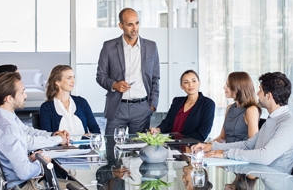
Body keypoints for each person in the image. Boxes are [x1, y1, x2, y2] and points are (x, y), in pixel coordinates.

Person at [0, 72, 74, 190]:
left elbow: (17, 144)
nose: (26, 95)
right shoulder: (8, 128)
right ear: (9, 98)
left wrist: (31, 158)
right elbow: (24, 173)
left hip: (9, 188)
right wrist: (43, 161)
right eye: (22, 92)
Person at [192, 72, 293, 174]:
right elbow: (248, 144)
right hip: (262, 179)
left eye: (260, 90)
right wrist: (212, 147)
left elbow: (265, 156)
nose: (257, 94)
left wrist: (226, 154)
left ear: (269, 96)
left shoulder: (288, 123)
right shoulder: (272, 119)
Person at [96, 7, 160, 135]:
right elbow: (100, 76)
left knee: (138, 151)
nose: (134, 28)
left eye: (137, 23)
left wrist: (152, 105)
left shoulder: (151, 46)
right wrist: (115, 85)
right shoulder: (109, 47)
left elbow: (155, 78)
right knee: (111, 149)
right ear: (121, 25)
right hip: (117, 107)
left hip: (142, 107)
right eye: (130, 24)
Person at [0, 64, 65, 150]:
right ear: (5, 82)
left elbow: (24, 130)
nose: (20, 82)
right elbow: (26, 142)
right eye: (16, 78)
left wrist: (52, 135)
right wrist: (58, 139)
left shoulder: (1, 108)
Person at [149, 70, 215, 141]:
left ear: (199, 83)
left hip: (190, 147)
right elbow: (167, 123)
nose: (190, 85)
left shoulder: (208, 104)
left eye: (194, 81)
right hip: (170, 145)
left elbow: (202, 134)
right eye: (186, 82)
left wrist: (177, 141)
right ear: (181, 86)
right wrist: (157, 130)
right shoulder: (177, 101)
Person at [40, 65, 100, 141]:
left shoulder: (82, 102)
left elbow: (95, 130)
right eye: (69, 78)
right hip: (61, 151)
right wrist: (84, 135)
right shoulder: (46, 108)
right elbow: (47, 136)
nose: (73, 81)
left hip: (84, 150)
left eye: (73, 77)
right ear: (58, 82)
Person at [211, 71, 261, 143]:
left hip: (238, 153)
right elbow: (222, 138)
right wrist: (205, 145)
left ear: (238, 88)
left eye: (228, 85)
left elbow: (252, 143)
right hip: (225, 151)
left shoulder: (251, 110)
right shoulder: (229, 108)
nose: (224, 87)